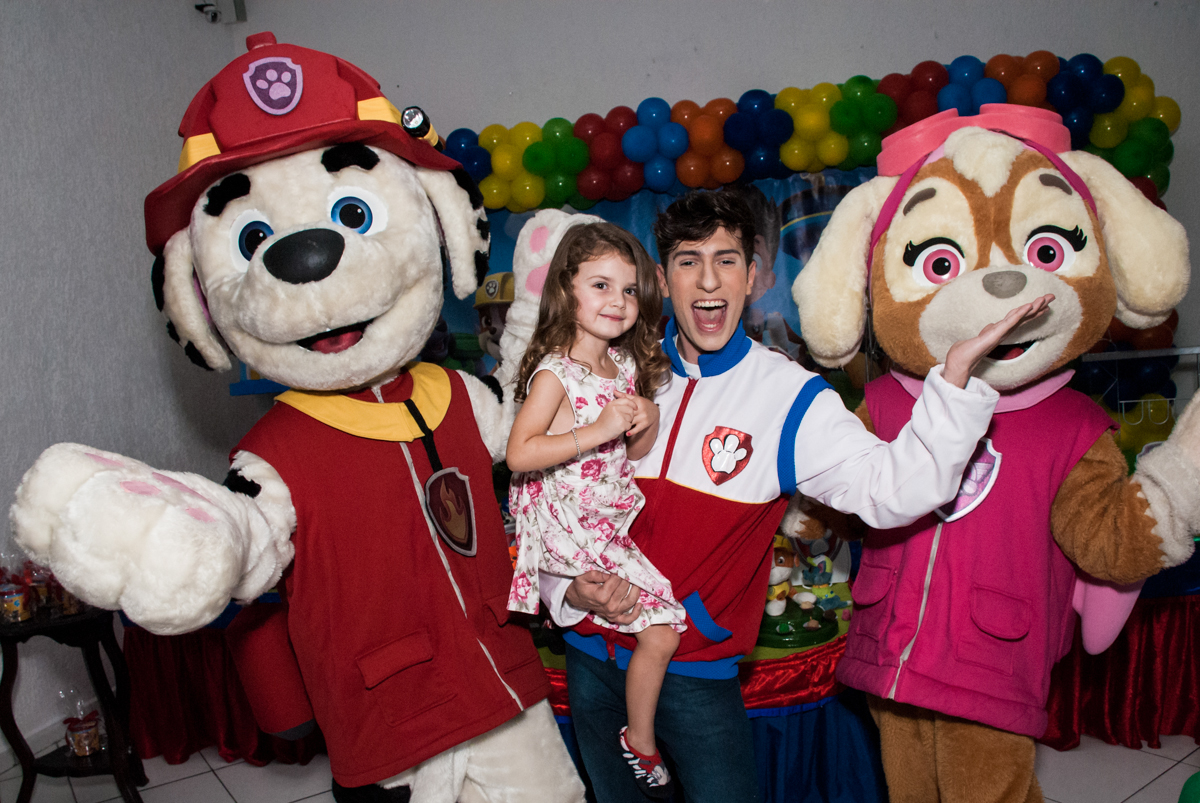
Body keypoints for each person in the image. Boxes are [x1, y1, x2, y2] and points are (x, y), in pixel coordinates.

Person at [538, 190, 1053, 801]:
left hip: (695, 669)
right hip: (590, 654)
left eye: (727, 260)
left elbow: (891, 489)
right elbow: (550, 497)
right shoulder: (610, 372)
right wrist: (563, 587)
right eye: (687, 260)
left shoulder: (789, 396)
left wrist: (956, 379)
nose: (708, 279)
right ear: (661, 277)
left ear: (753, 276)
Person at [505, 222, 684, 797]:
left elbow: (627, 453)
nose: (618, 301)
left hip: (609, 523)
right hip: (569, 527)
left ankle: (636, 737)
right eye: (601, 285)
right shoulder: (556, 372)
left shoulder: (624, 368)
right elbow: (519, 454)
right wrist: (595, 428)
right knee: (662, 629)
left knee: (661, 629)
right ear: (567, 289)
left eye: (630, 291)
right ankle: (643, 742)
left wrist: (645, 423)